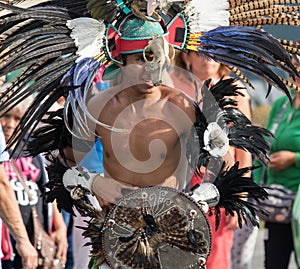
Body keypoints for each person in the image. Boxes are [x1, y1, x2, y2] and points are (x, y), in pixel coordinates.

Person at [0, 1, 298, 268]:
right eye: (139, 61)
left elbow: (227, 166)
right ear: (122, 61)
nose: (148, 70)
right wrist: (93, 185)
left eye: (154, 59)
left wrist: (201, 198)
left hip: (176, 234)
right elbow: (63, 166)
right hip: (116, 236)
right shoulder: (99, 107)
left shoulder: (186, 106)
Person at [172, 50, 256, 269]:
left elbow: (244, 148)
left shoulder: (235, 91)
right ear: (186, 56)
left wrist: (240, 196)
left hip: (219, 186)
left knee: (215, 255)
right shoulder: (172, 86)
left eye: (215, 52)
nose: (207, 58)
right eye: (199, 52)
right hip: (176, 184)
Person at [0, 95, 68, 268]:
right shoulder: (3, 156)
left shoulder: (31, 149)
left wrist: (59, 227)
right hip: (9, 240)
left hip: (35, 235)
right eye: (5, 116)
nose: (10, 124)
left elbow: (45, 187)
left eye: (17, 119)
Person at [253, 53, 300, 269]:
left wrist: (294, 159)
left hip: (298, 203)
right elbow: (262, 147)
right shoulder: (282, 103)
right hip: (277, 205)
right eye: (294, 68)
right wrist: (254, 190)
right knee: (273, 263)